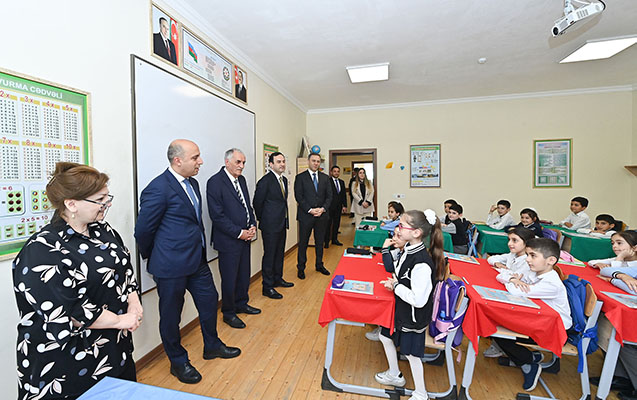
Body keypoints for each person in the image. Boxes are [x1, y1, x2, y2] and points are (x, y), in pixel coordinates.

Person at [13, 162, 141, 399]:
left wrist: (133, 301)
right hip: (68, 362)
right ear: (71, 204)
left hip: (114, 348)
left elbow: (124, 269)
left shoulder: (103, 231)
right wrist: (121, 319)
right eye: (100, 199)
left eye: (107, 196)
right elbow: (70, 311)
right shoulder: (42, 250)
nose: (108, 203)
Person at [135, 140, 240, 385]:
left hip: (196, 261)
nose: (200, 161)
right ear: (178, 160)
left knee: (210, 300)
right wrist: (158, 257)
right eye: (195, 157)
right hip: (170, 266)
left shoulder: (192, 183)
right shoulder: (158, 188)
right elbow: (143, 232)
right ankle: (178, 361)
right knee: (171, 316)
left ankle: (212, 345)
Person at [374, 209, 446, 400]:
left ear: (416, 232)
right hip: (401, 309)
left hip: (413, 316)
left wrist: (396, 286)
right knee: (384, 335)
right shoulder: (408, 249)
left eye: (401, 225)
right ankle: (394, 374)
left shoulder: (421, 263)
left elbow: (419, 300)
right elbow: (399, 272)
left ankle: (421, 393)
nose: (397, 229)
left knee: (412, 355)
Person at [493, 238, 572, 392]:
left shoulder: (552, 284)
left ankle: (527, 362)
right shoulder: (533, 271)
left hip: (555, 330)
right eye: (528, 255)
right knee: (498, 324)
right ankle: (528, 357)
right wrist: (512, 279)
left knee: (498, 330)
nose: (527, 259)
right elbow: (502, 274)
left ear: (551, 260)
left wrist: (513, 282)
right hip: (540, 321)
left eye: (533, 256)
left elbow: (515, 291)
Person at [207, 148, 261, 329]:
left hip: (245, 237)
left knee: (244, 274)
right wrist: (239, 232)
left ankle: (241, 303)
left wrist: (252, 224)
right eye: (238, 162)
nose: (242, 166)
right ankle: (229, 313)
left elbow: (247, 206)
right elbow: (217, 216)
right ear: (227, 162)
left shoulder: (241, 180)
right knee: (230, 279)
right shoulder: (215, 182)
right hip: (228, 240)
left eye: (244, 162)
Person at [483, 226, 535, 358]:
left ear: (527, 243)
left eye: (514, 240)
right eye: (509, 240)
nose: (510, 244)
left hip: (519, 299)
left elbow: (512, 279)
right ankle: (498, 344)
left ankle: (502, 345)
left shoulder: (528, 262)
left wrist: (507, 275)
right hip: (509, 290)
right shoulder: (513, 255)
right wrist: (498, 264)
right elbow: (491, 259)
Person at [253, 151, 294, 300]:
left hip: (282, 223)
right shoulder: (265, 181)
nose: (282, 164)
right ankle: (267, 286)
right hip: (270, 226)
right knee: (269, 256)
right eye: (278, 162)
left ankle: (278, 279)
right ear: (271, 164)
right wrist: (264, 220)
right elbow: (257, 203)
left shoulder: (283, 180)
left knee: (279, 253)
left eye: (283, 161)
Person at [294, 152, 332, 279]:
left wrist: (323, 209)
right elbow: (299, 197)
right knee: (303, 243)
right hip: (306, 216)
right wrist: (310, 210)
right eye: (313, 161)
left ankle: (319, 265)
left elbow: (329, 196)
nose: (316, 163)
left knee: (320, 242)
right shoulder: (300, 177)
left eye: (318, 161)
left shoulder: (325, 178)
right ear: (308, 162)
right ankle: (301, 268)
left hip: (322, 216)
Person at [365, 225, 407, 341]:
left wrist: (384, 248)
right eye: (393, 235)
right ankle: (379, 324)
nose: (394, 238)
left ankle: (384, 329)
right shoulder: (398, 250)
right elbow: (388, 259)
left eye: (398, 235)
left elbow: (389, 267)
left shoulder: (406, 254)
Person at [324, 165, 348, 248]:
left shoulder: (341, 182)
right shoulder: (327, 181)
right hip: (329, 207)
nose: (336, 173)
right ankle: (326, 241)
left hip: (338, 207)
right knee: (328, 225)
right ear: (331, 172)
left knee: (336, 224)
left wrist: (345, 205)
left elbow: (343, 195)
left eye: (338, 171)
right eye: (334, 171)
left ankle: (335, 239)